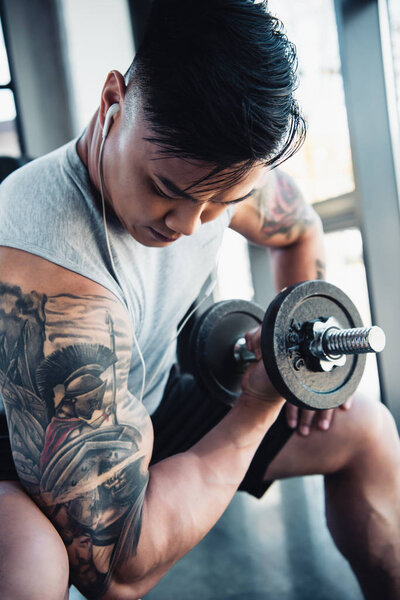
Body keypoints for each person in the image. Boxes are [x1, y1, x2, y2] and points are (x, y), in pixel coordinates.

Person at [0, 1, 399, 599]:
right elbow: (117, 572)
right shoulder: (50, 275)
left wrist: (294, 355)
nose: (190, 225)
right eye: (167, 189)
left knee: (367, 428)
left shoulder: (217, 176)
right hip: (27, 433)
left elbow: (301, 228)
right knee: (31, 568)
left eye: (221, 203)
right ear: (113, 101)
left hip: (149, 394)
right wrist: (264, 399)